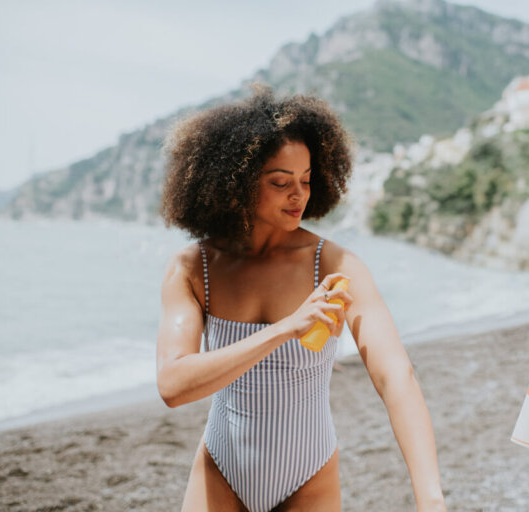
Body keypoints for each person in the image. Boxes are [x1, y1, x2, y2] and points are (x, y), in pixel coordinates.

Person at [155, 85, 446, 512]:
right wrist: (286, 328)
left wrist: (431, 499)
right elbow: (173, 386)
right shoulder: (192, 267)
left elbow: (396, 377)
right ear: (235, 182)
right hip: (221, 469)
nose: (299, 195)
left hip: (308, 475)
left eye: (306, 180)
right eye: (280, 182)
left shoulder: (336, 266)